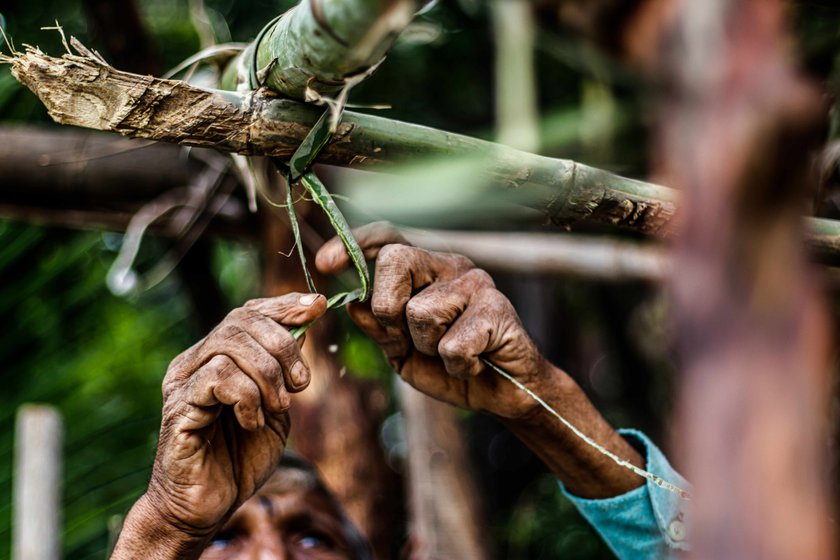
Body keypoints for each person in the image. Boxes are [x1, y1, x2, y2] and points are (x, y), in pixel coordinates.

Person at [111, 222, 688, 560]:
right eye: (221, 542)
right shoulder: (168, 533)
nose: (270, 559)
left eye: (312, 541)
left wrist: (537, 399)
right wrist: (168, 527)